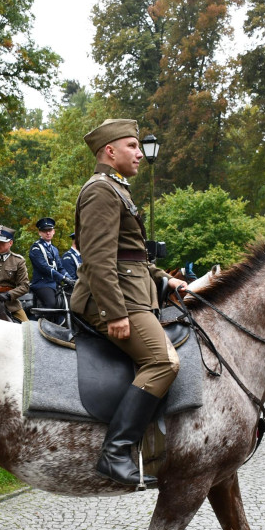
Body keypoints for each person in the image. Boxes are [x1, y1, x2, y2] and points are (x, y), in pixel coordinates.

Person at [71, 118, 188, 487]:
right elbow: (98, 259)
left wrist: (166, 280)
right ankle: (116, 451)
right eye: (132, 146)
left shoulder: (117, 189)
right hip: (113, 301)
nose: (139, 154)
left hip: (133, 294)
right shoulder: (101, 191)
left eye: (139, 147)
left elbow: (132, 256)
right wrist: (114, 313)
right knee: (163, 361)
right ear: (110, 151)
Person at [29, 217, 74, 324]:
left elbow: (60, 268)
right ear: (40, 232)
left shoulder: (54, 249)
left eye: (50, 230)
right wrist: (63, 278)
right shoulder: (36, 248)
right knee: (51, 304)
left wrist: (70, 279)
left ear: (53, 231)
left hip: (55, 283)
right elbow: (45, 268)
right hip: (42, 283)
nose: (48, 233)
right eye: (44, 231)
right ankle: (42, 327)